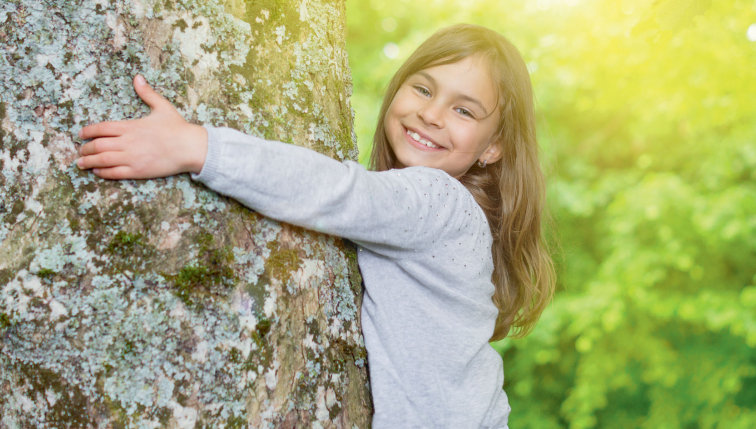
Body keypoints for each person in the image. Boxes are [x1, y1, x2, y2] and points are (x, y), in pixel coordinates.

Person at [75, 23, 555, 429]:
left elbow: (334, 191)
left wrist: (197, 147)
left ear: (494, 148)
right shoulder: (450, 215)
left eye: (464, 110)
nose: (430, 114)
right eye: (424, 89)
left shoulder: (440, 201)